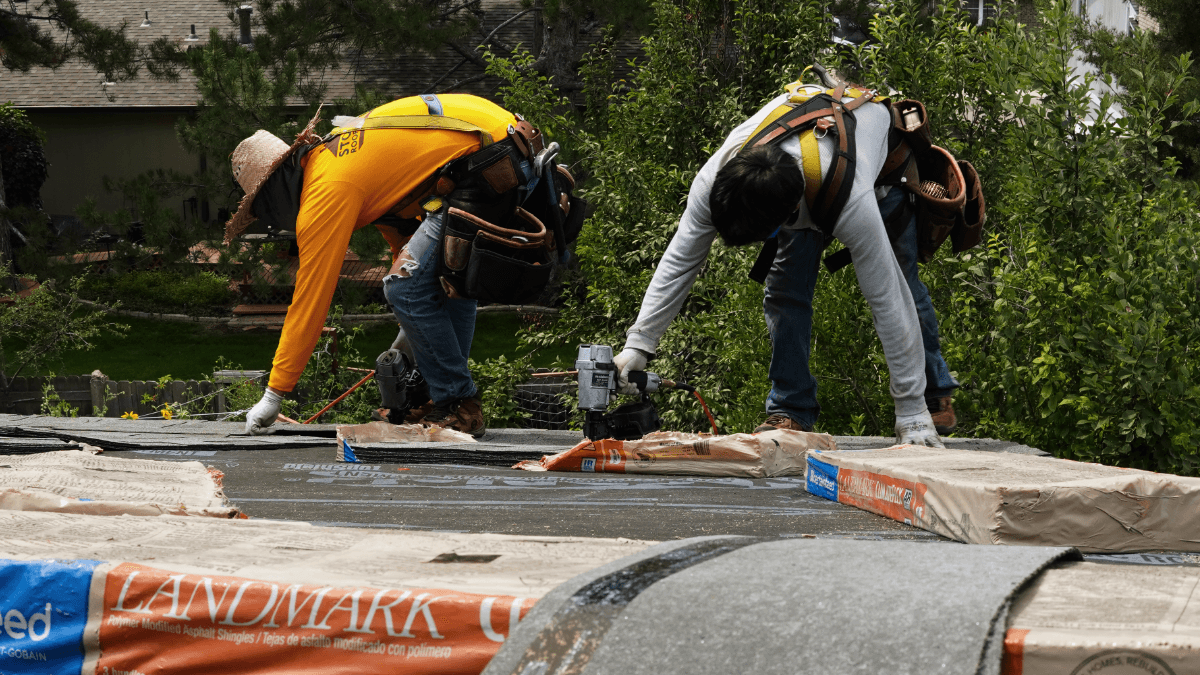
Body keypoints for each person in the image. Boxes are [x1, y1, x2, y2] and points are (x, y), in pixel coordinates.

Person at [612, 84, 959, 446]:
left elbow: (888, 299)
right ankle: (792, 410)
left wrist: (909, 411)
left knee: (900, 280)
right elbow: (680, 262)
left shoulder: (852, 201)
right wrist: (638, 345)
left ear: (791, 213)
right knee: (784, 292)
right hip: (805, 170)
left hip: (882, 172)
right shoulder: (717, 182)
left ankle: (928, 397)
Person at [231, 94, 556, 437]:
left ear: (273, 194)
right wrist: (413, 325)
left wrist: (275, 393)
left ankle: (458, 403)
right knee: (447, 281)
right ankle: (441, 398)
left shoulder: (325, 189)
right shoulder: (337, 156)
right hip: (511, 146)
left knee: (403, 287)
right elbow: (403, 241)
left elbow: (311, 300)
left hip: (488, 160)